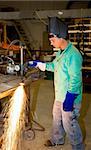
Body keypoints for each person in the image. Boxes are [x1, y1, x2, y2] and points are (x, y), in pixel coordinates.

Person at [29, 17, 84, 150]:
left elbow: (75, 79)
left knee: (69, 123)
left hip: (71, 97)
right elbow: (54, 66)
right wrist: (41, 65)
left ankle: (77, 146)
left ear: (61, 38)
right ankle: (57, 139)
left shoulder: (73, 55)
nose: (51, 43)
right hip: (60, 95)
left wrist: (70, 98)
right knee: (56, 118)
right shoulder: (61, 52)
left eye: (53, 40)